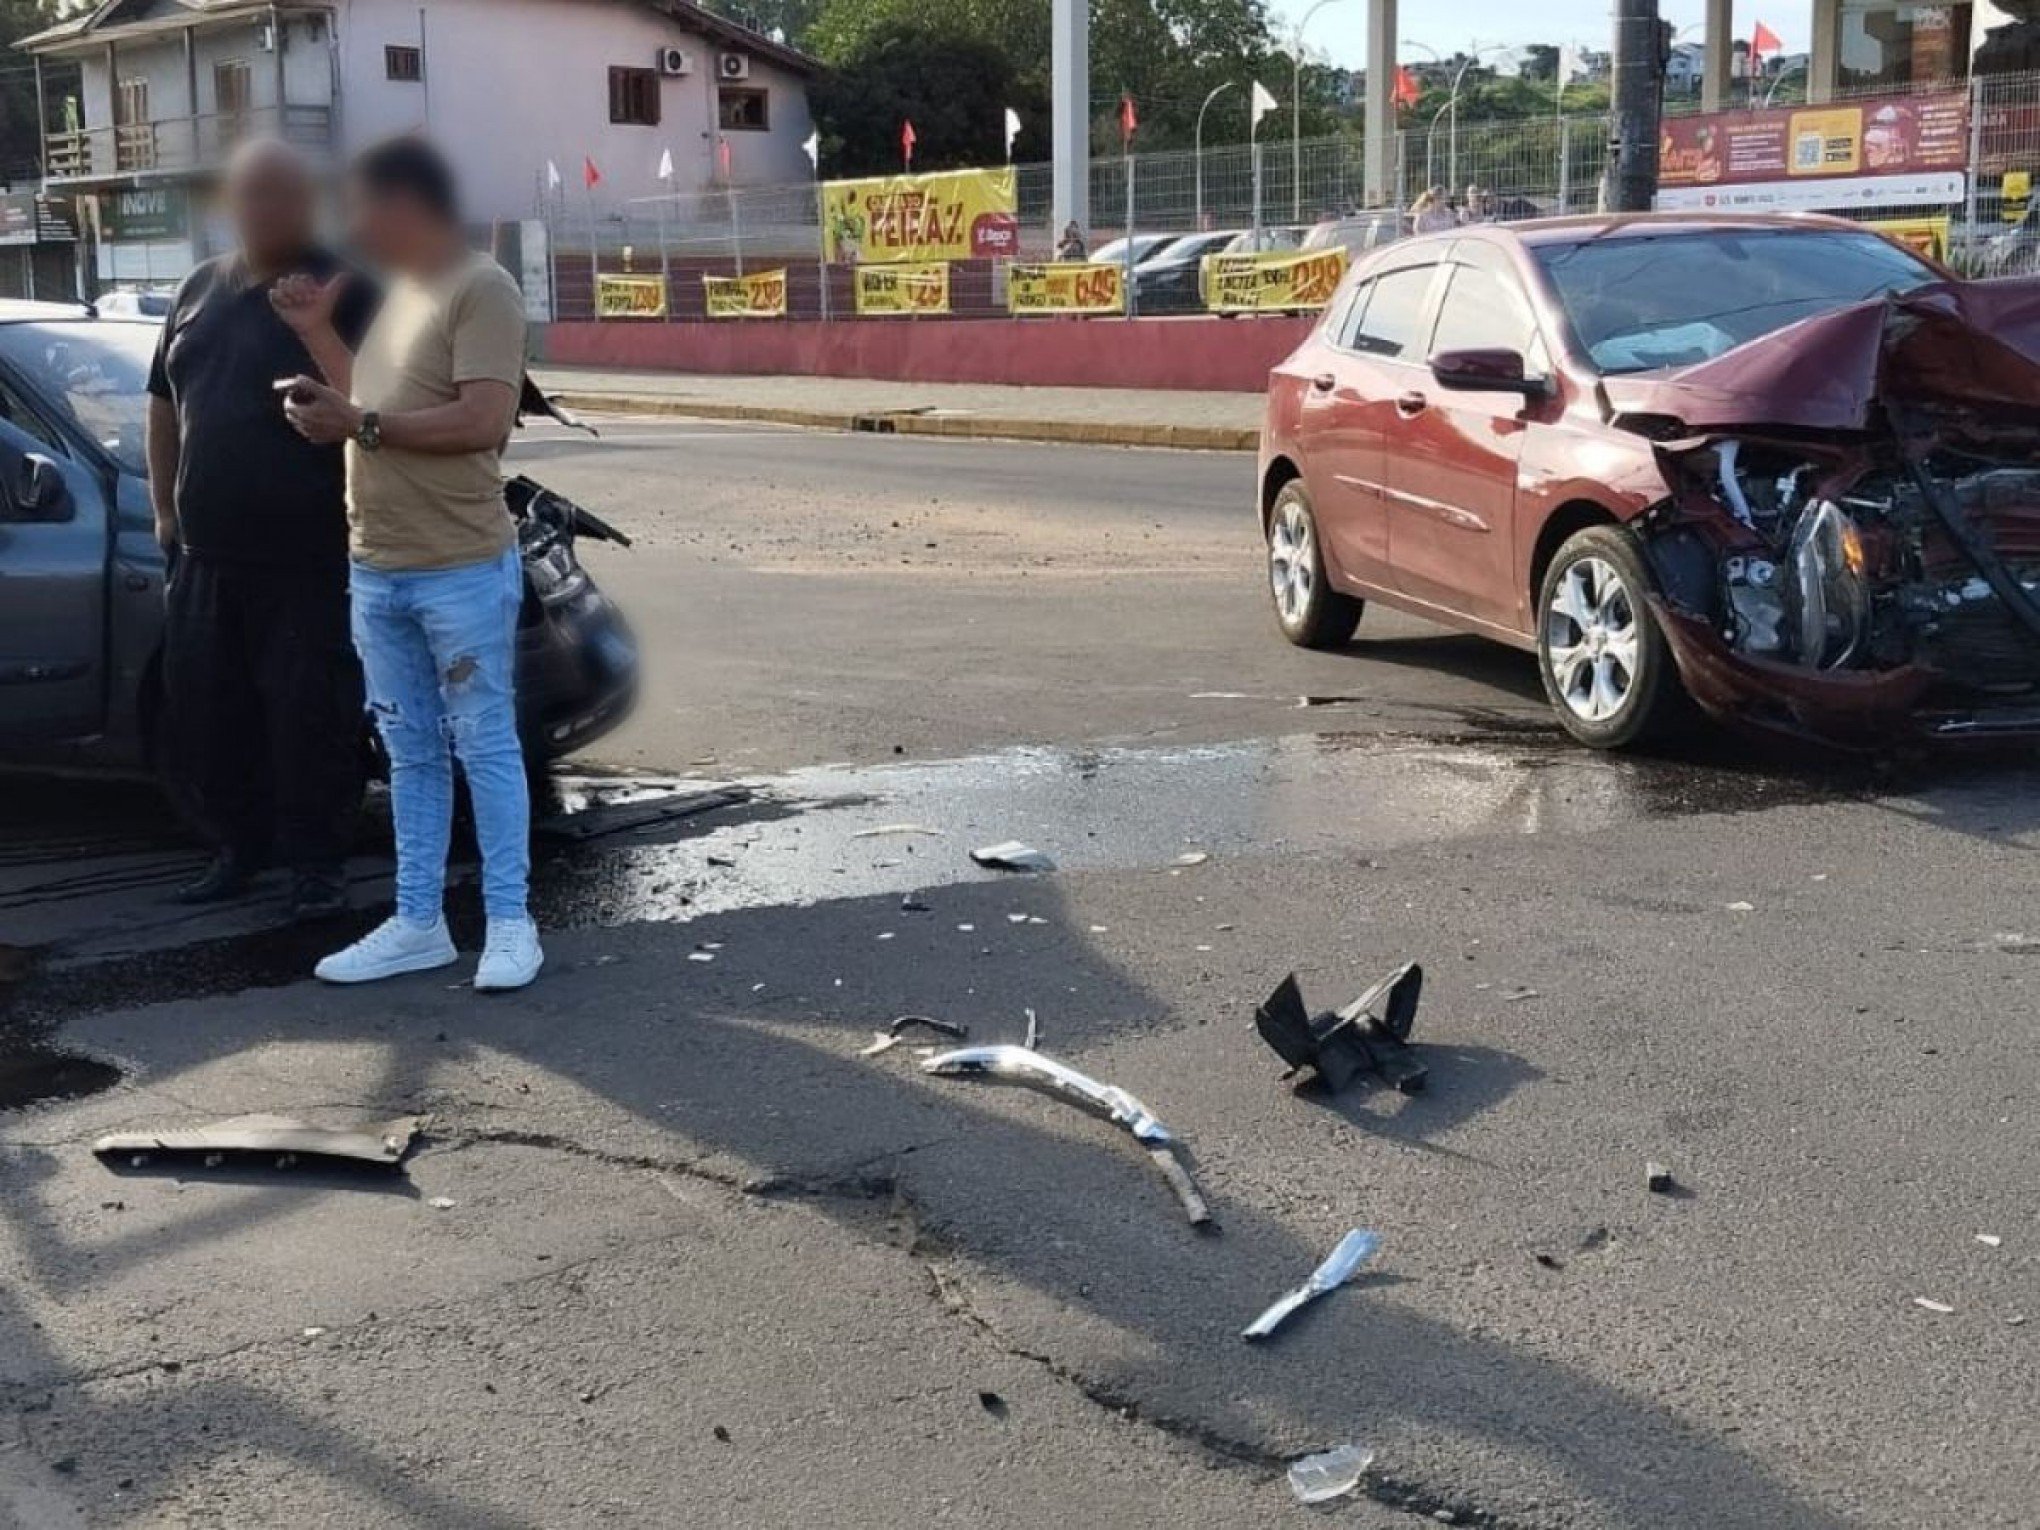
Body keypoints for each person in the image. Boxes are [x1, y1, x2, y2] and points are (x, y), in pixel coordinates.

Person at [272, 137, 541, 992]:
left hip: (456, 563)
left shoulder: (481, 287)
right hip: (378, 565)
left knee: (484, 745)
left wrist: (358, 425)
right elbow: (373, 407)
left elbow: (482, 421)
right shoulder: (403, 297)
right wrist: (318, 342)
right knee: (411, 751)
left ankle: (510, 921)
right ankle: (418, 921)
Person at [145, 139, 379, 921]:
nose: (265, 208)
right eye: (250, 193)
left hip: (308, 557)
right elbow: (163, 404)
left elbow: (380, 404)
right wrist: (165, 514)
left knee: (309, 719)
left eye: (282, 193)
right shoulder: (197, 288)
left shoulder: (344, 286)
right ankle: (238, 852)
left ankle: (316, 866)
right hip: (204, 556)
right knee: (210, 716)